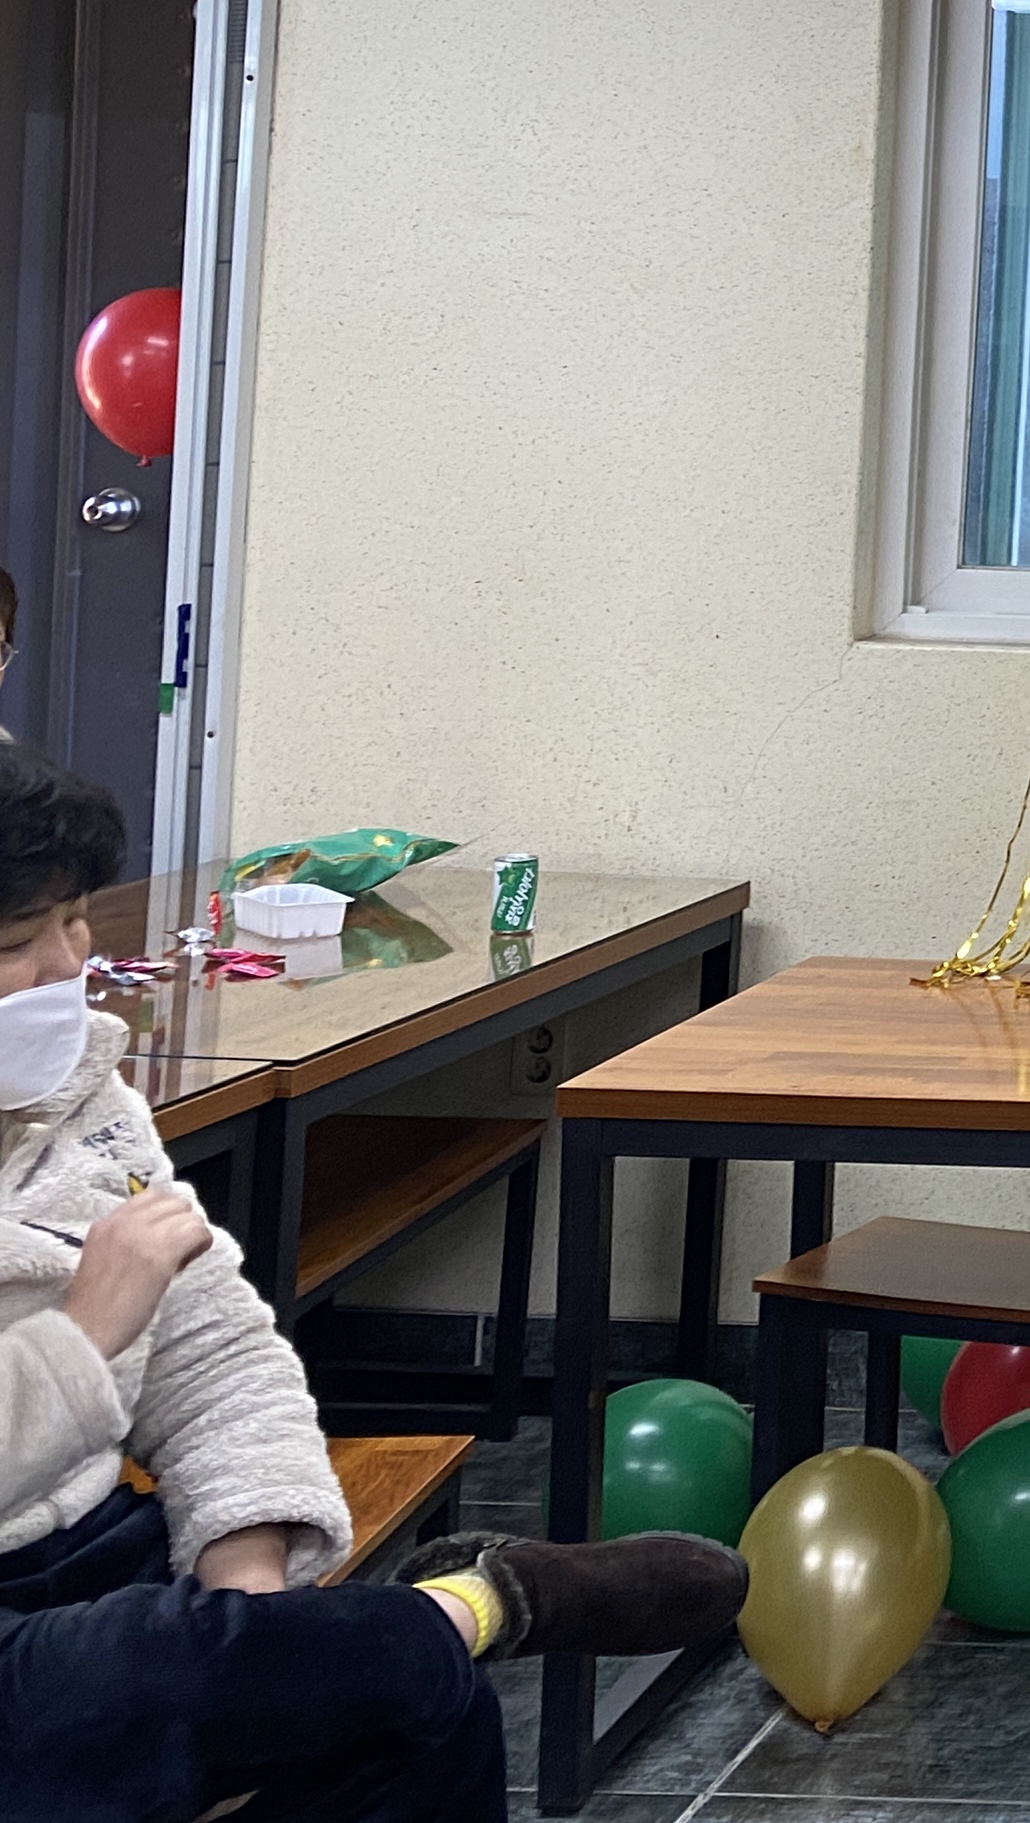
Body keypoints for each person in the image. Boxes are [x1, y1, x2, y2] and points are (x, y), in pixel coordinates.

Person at [0, 746, 746, 1822]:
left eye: (77, 920)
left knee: (410, 1718)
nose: (70, 962)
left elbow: (215, 1353)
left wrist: (251, 1576)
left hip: (90, 1553)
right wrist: (83, 1339)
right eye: (19, 942)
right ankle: (478, 1605)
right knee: (140, 1675)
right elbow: (110, 1328)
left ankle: (395, 1640)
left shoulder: (81, 1101)